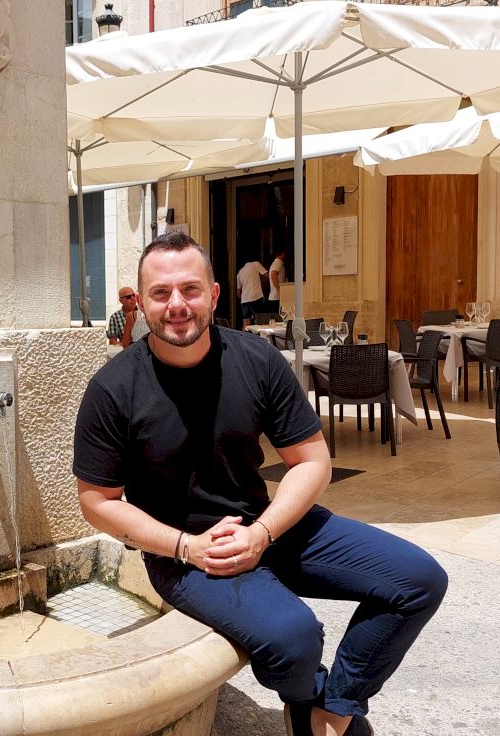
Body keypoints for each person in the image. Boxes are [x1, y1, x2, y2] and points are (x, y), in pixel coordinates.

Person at [73, 231, 446, 736]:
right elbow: (97, 501)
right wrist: (187, 547)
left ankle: (333, 709)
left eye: (190, 289)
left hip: (267, 524)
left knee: (419, 580)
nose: (177, 305)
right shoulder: (113, 388)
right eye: (161, 293)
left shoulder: (256, 359)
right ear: (141, 302)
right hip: (185, 553)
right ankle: (306, 696)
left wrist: (263, 532)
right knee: (295, 638)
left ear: (214, 294)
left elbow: (312, 460)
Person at [236, 259, 269, 327]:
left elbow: (238, 293)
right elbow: (268, 275)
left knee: (246, 322)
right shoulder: (256, 264)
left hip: (244, 300)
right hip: (256, 297)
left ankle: (244, 334)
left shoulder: (240, 272)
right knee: (258, 320)